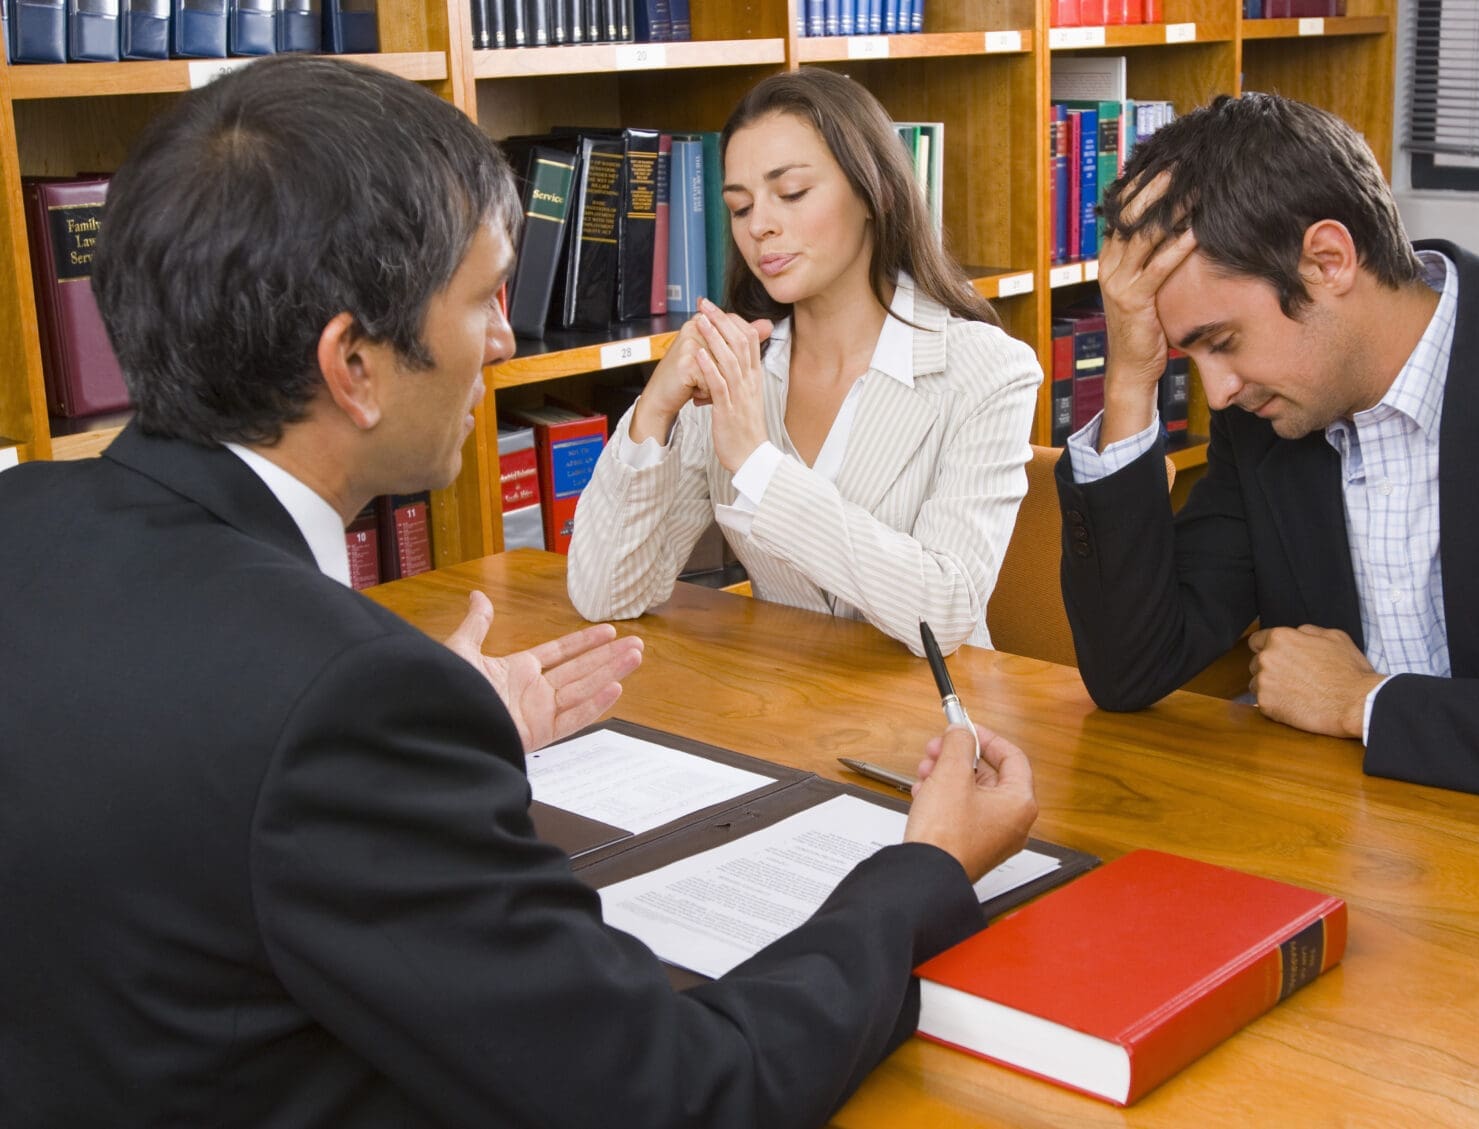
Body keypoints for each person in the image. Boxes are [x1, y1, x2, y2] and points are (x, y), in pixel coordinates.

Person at [0, 56, 1039, 1126]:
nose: (505, 338)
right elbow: (683, 1094)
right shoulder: (341, 702)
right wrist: (921, 873)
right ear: (352, 365)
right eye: (479, 298)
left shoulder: (22, 525)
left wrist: (422, 735)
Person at [1056, 92, 1479, 824]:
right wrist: (1131, 375)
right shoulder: (1269, 411)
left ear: (1328, 260)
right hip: (1343, 844)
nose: (1220, 392)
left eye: (1223, 341)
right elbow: (1131, 668)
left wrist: (1364, 702)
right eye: (1190, 353)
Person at [567, 69, 1042, 656]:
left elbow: (942, 615)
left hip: (931, 723)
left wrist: (758, 467)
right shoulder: (738, 367)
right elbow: (606, 595)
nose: (760, 225)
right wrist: (654, 413)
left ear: (875, 193)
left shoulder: (990, 372)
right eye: (739, 208)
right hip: (783, 710)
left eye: (791, 193)